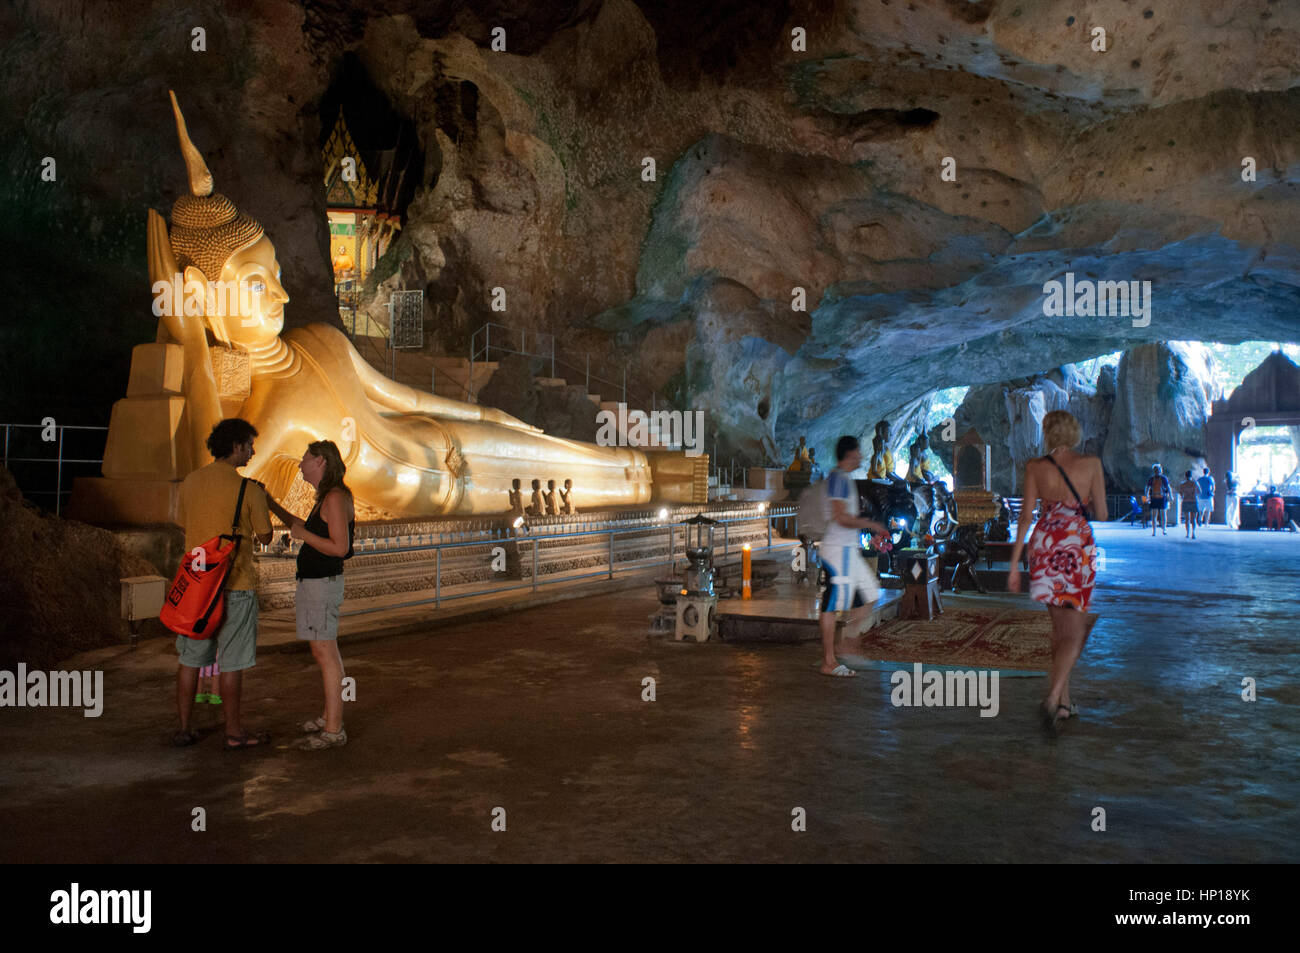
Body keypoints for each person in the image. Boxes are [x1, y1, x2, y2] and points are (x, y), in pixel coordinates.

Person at [172, 418, 273, 749]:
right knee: (232, 663)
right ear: (235, 447)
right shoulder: (250, 489)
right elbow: (266, 535)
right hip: (236, 585)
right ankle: (233, 732)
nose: (252, 451)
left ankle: (185, 729)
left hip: (197, 587)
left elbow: (183, 524)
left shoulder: (189, 482)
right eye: (248, 445)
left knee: (189, 660)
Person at [1008, 410, 1108, 732]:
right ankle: (1052, 698)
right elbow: (1103, 515)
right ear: (1074, 433)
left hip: (1045, 543)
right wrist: (1085, 502)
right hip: (1076, 547)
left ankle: (1065, 702)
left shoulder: (1035, 467)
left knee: (1058, 629)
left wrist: (1013, 565)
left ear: (1048, 434)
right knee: (1075, 632)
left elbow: (1025, 517)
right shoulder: (1091, 464)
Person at [276, 441, 355, 750]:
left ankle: (334, 729)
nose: (300, 465)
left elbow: (340, 547)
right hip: (315, 582)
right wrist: (270, 503)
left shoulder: (334, 497)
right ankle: (329, 717)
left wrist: (304, 536)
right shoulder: (328, 497)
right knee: (324, 651)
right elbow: (304, 528)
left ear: (321, 461)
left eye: (304, 459)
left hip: (322, 583)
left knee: (326, 653)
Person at [819, 436, 888, 677]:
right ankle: (829, 661)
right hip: (836, 552)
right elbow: (839, 517)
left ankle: (847, 645)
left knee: (870, 593)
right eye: (858, 452)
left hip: (849, 550)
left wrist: (870, 533)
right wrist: (870, 523)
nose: (861, 456)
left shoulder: (846, 479)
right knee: (830, 605)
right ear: (849, 454)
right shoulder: (838, 478)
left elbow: (846, 519)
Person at [1145, 464, 1171, 536]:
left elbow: (1168, 488)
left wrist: (1170, 496)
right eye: (1156, 470)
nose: (1158, 471)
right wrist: (1147, 496)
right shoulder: (1152, 479)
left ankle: (1164, 529)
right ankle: (1154, 531)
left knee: (1163, 514)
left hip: (1162, 498)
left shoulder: (1163, 478)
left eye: (1159, 470)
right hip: (1154, 497)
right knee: (1154, 515)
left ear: (1161, 470)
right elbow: (1147, 488)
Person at [1177, 470, 1200, 539]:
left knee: (1187, 519)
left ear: (1185, 476)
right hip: (1193, 501)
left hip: (1186, 501)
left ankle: (1187, 534)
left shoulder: (1182, 484)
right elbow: (1199, 492)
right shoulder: (1195, 483)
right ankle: (1193, 533)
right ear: (1191, 476)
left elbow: (1181, 494)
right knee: (1193, 519)